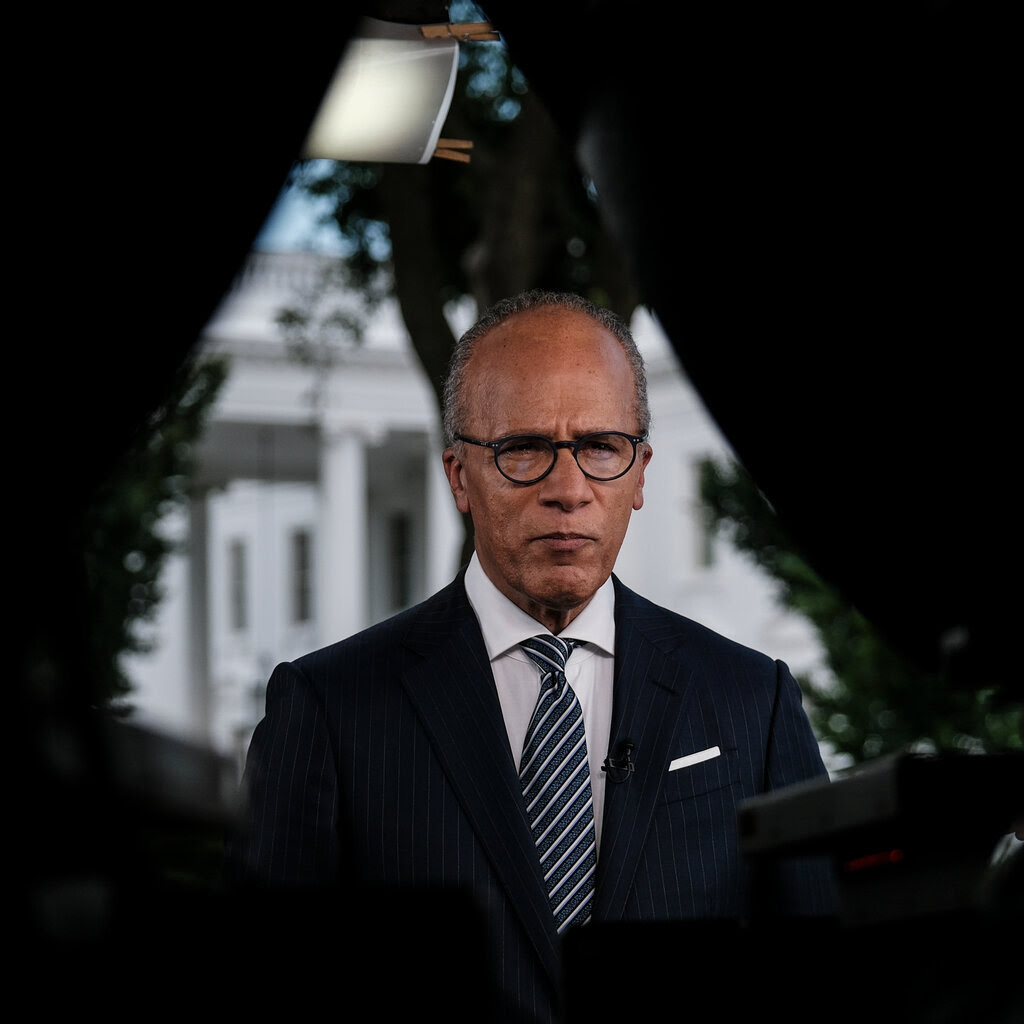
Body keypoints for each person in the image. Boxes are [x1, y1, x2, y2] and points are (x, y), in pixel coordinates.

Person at [224, 290, 837, 1022]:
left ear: (641, 472)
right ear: (458, 476)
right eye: (524, 450)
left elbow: (819, 978)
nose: (569, 490)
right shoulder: (328, 708)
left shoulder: (751, 699)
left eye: (600, 448)